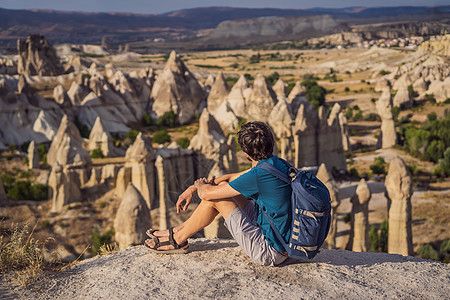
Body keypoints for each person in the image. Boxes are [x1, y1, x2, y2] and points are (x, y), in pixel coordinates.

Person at [145, 121, 292, 266]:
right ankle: (179, 230)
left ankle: (177, 240)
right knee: (221, 187)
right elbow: (229, 178)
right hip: (275, 233)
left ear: (246, 154)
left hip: (271, 251)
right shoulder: (274, 164)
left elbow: (206, 195)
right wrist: (194, 187)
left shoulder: (258, 175)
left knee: (216, 199)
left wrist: (200, 186)